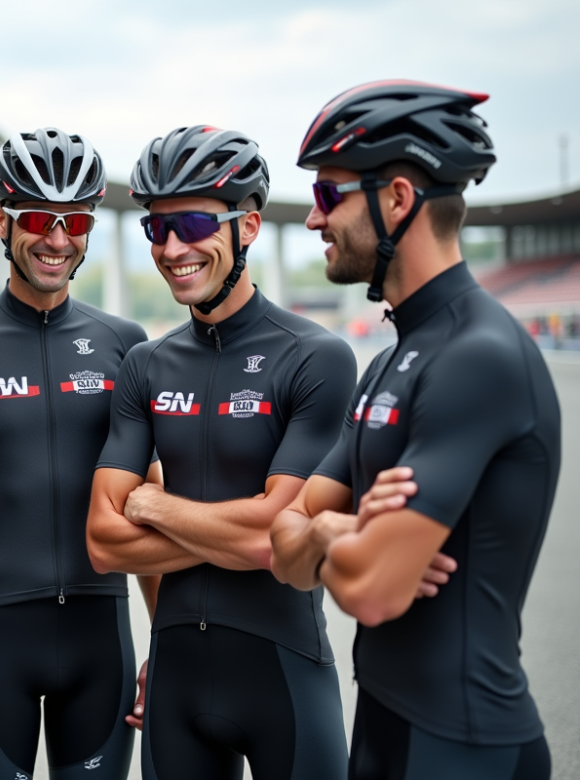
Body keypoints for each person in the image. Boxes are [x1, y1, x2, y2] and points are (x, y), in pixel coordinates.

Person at [270, 80, 558, 780]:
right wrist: (338, 532)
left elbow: (373, 591)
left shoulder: (477, 358)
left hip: (465, 744)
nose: (314, 220)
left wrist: (327, 537)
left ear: (397, 199)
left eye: (328, 194)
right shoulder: (395, 359)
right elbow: (281, 546)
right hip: (386, 725)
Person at [86, 126, 357, 780]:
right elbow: (103, 542)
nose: (173, 248)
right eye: (156, 230)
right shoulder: (146, 364)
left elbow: (274, 541)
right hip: (177, 680)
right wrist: (247, 532)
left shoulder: (316, 357)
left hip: (285, 672)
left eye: (194, 224)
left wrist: (153, 504)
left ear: (250, 226)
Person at [0, 128, 147, 780]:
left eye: (74, 220)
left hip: (101, 632)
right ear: (1, 219)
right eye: (39, 220)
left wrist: (162, 639)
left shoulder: (124, 343)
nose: (56, 238)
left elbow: (143, 507)